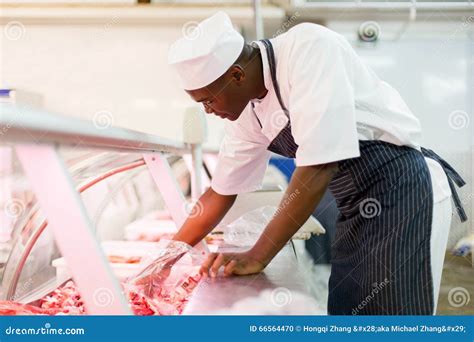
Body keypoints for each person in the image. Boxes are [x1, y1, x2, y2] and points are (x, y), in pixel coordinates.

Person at [167, 11, 467, 315]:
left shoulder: (308, 47)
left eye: (208, 100)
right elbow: (220, 193)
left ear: (237, 75)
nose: (207, 111)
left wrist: (258, 254)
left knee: (392, 315)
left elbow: (318, 168)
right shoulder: (247, 112)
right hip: (354, 205)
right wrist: (164, 259)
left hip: (402, 190)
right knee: (348, 309)